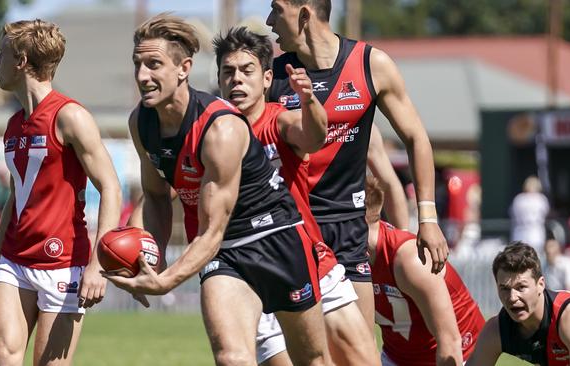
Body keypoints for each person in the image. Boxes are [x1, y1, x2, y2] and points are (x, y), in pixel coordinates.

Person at [103, 14, 331, 366]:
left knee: (312, 359)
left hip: (277, 238)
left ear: (184, 68)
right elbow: (158, 196)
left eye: (154, 65)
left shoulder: (220, 128)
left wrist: (165, 281)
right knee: (231, 357)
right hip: (224, 254)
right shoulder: (141, 122)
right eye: (138, 65)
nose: (142, 76)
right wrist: (155, 252)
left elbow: (212, 230)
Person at [265, 0, 448, 326]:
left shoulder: (370, 64)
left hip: (348, 229)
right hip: (290, 229)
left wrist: (429, 218)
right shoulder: (271, 75)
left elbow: (417, 138)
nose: (269, 21)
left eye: (276, 10)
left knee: (359, 351)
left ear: (304, 15)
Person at [214, 27, 378, 365]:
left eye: (247, 71)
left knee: (364, 359)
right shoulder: (210, 133)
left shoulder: (279, 121)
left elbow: (312, 137)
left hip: (311, 259)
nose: (236, 80)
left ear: (266, 78)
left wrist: (309, 101)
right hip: (252, 272)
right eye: (228, 72)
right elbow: (166, 188)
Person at [0, 19, 122, 365]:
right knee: (3, 354)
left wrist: (99, 265)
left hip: (64, 264)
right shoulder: (13, 125)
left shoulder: (70, 116)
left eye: (2, 55)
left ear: (22, 60)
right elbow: (15, 200)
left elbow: (111, 187)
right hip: (14, 260)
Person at [366, 175, 484, 366]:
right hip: (398, 356)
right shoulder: (345, 255)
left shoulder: (408, 258)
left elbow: (450, 342)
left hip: (459, 353)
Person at [468, 242, 570, 365]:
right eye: (505, 289)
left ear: (541, 285)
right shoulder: (497, 330)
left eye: (521, 287)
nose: (512, 297)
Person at [509, 175, 550, 253]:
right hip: (534, 233)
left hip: (522, 233)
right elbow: (547, 214)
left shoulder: (518, 198)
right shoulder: (541, 199)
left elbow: (512, 214)